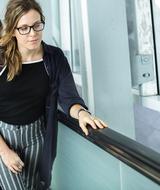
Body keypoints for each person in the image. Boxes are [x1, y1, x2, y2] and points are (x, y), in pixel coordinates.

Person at [0, 0, 107, 189]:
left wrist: (82, 114)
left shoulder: (54, 57)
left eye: (37, 25)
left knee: (36, 187)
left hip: (36, 137)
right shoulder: (2, 58)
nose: (32, 33)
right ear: (13, 30)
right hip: (4, 137)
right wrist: (4, 152)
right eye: (24, 28)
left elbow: (69, 97)